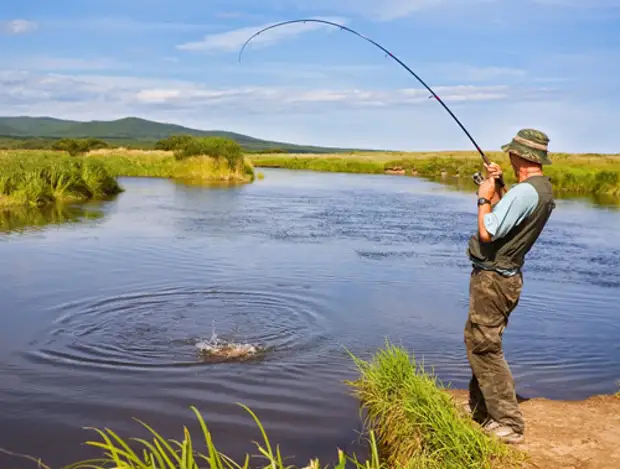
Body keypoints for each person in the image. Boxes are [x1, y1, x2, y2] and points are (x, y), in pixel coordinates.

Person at [463, 128, 556, 444]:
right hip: (504, 277)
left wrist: (483, 197)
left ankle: (508, 423)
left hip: (494, 280)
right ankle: (480, 407)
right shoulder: (538, 189)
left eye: (512, 152)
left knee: (485, 345)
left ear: (522, 156)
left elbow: (489, 230)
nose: (508, 155)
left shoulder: (526, 192)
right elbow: (508, 217)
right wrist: (501, 185)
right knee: (478, 338)